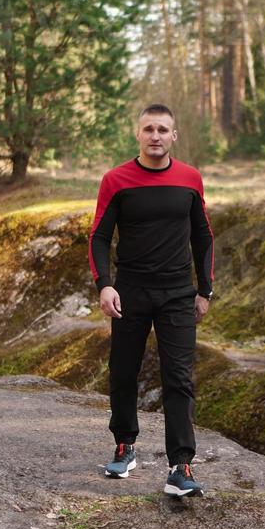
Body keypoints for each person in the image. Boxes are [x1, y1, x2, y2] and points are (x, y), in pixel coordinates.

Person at [88, 103, 214, 497]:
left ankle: (181, 466)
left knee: (179, 378)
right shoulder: (116, 180)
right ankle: (125, 446)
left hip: (178, 293)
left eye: (163, 129)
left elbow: (203, 236)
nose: (155, 136)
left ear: (174, 136)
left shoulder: (190, 179)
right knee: (123, 371)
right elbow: (99, 237)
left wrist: (204, 290)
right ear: (137, 135)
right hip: (130, 293)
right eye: (148, 129)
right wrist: (105, 285)